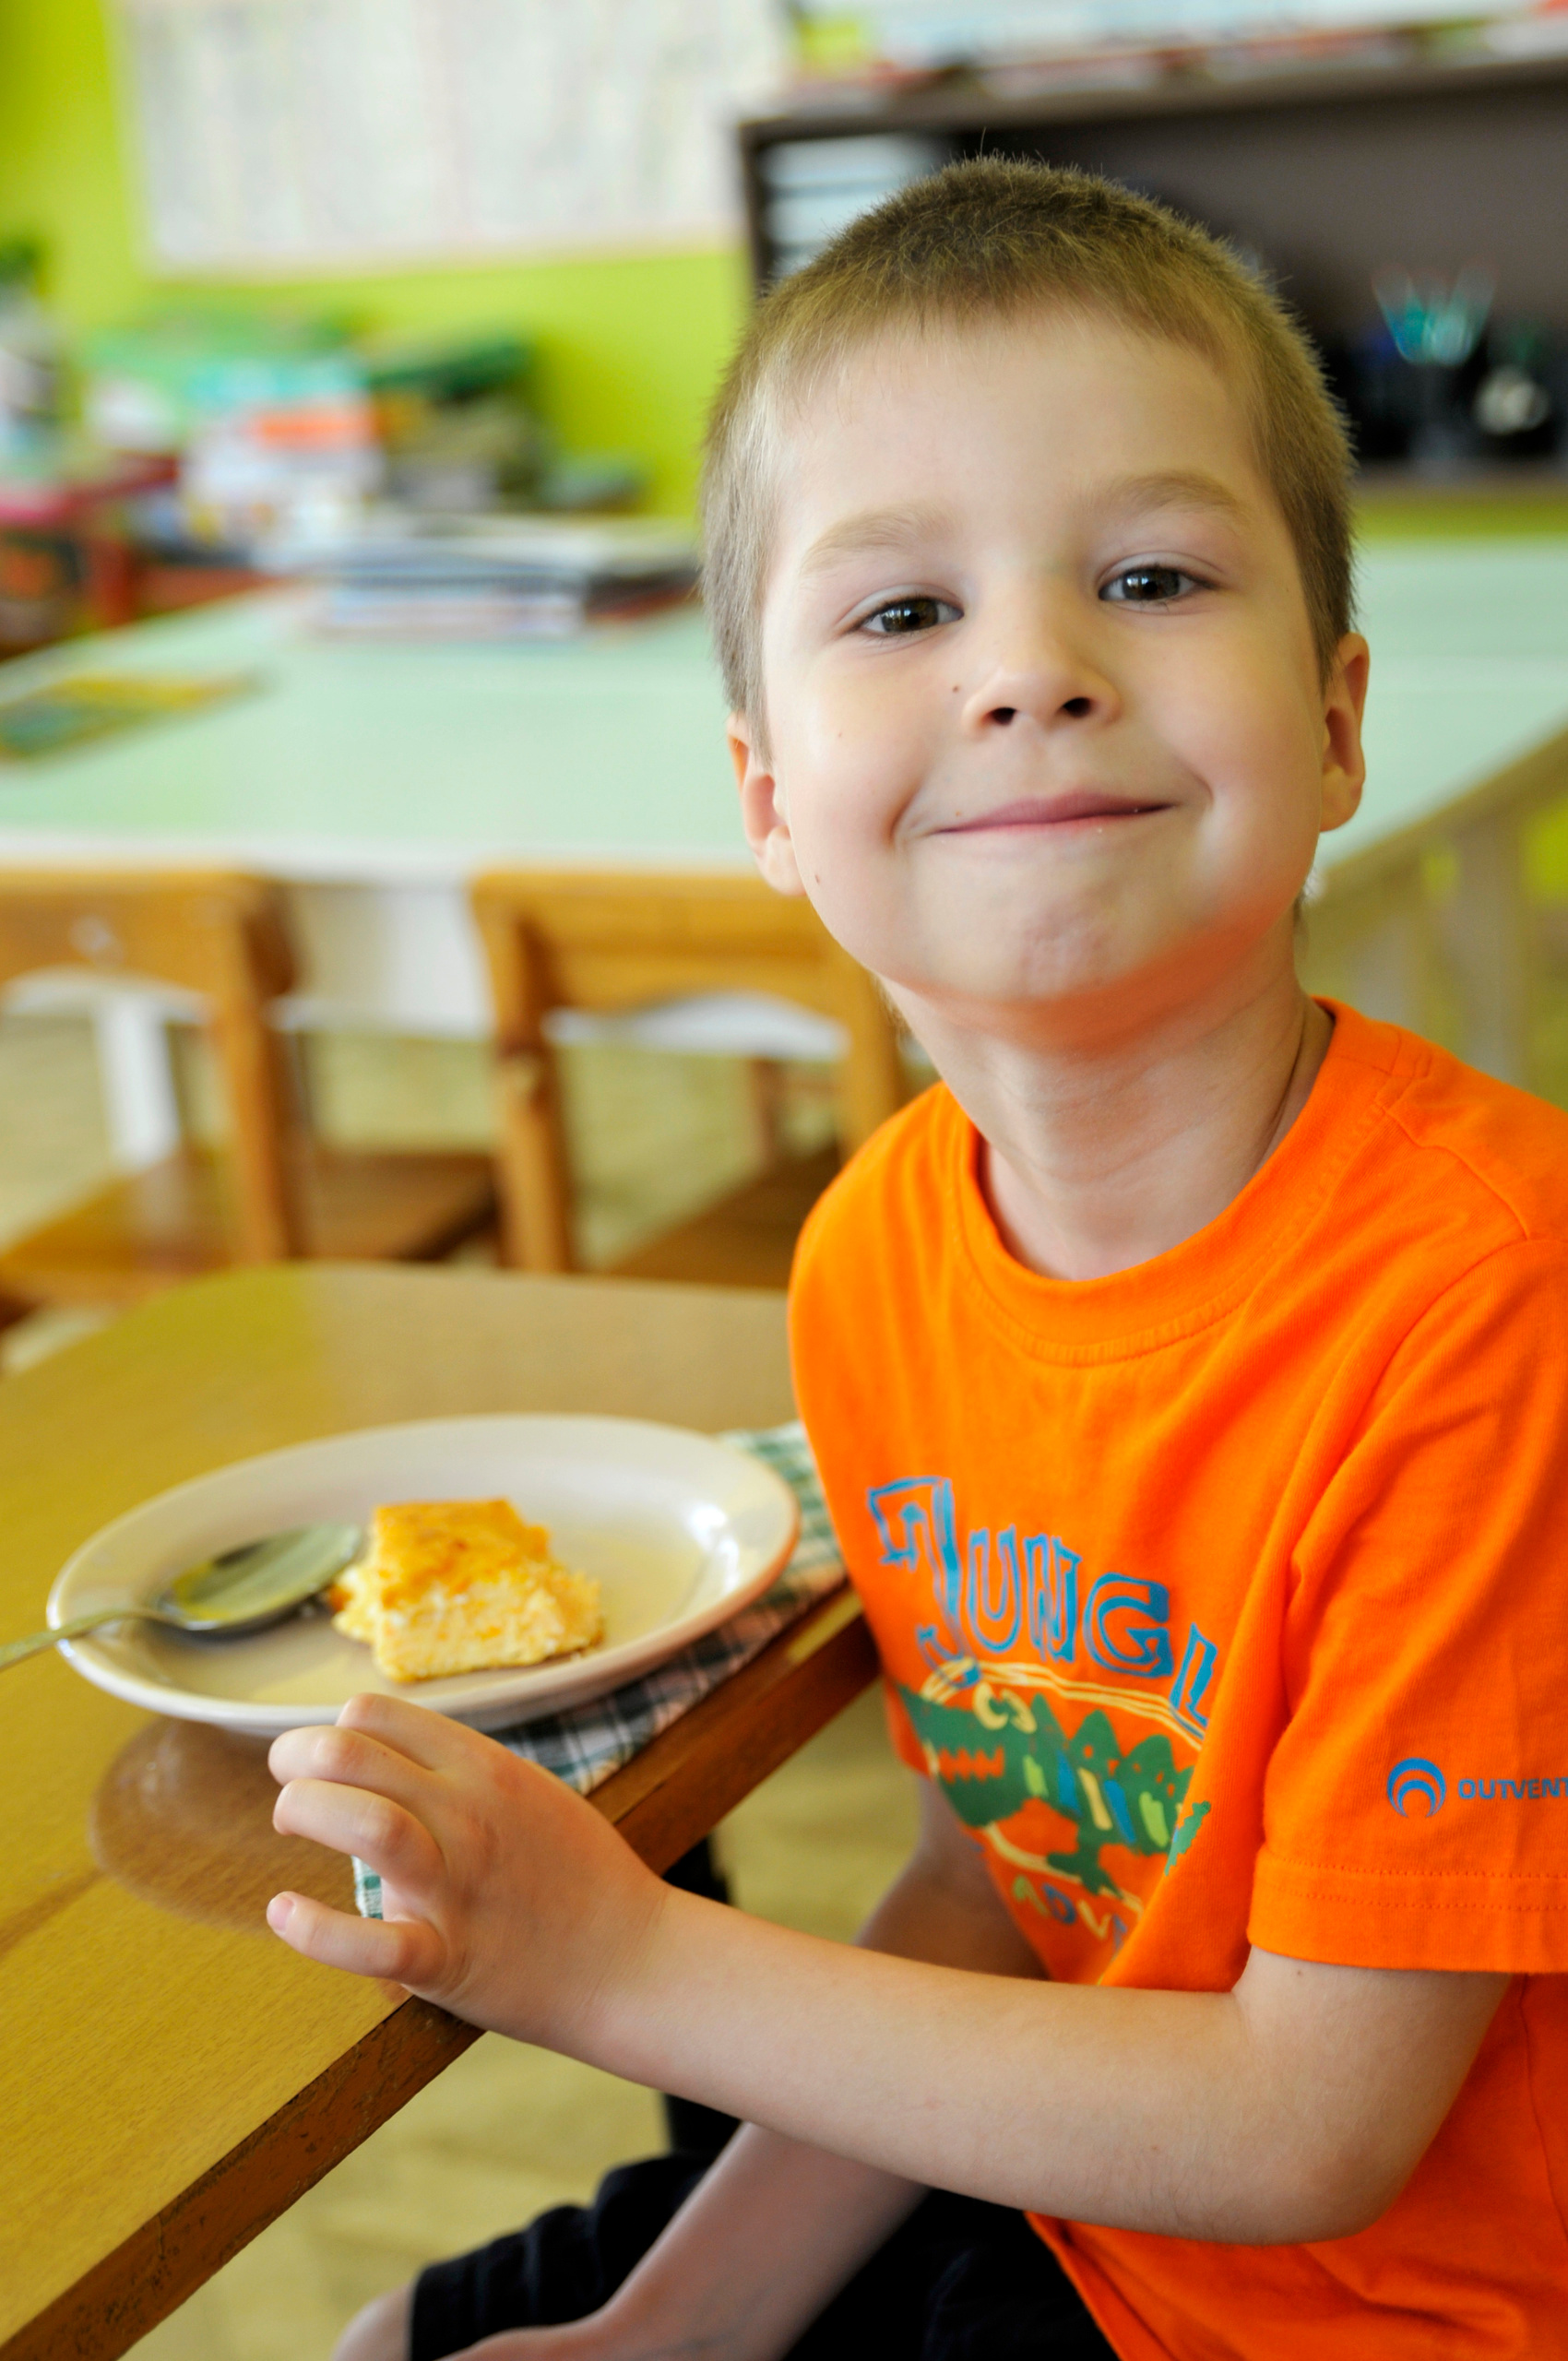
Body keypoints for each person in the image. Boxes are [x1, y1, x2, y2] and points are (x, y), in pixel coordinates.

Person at [267, 161, 1568, 2361]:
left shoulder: (1491, 1293)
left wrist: (608, 1960)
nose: (1033, 673)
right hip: (1058, 2194)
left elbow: (1305, 2127)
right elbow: (1014, 1874)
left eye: (1147, 577)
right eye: (900, 615)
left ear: (1337, 722)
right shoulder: (879, 1244)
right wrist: (675, 2324)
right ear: (769, 797)